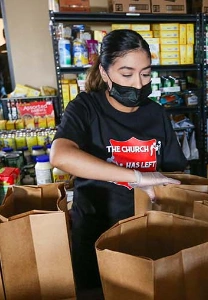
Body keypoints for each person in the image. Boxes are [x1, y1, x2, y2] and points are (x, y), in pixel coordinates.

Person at [50, 29, 187, 293]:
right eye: (126, 74)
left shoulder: (156, 113)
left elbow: (174, 171)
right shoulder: (86, 108)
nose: (138, 84)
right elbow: (60, 154)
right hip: (96, 234)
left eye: (145, 73)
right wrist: (137, 177)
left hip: (145, 232)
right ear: (104, 73)